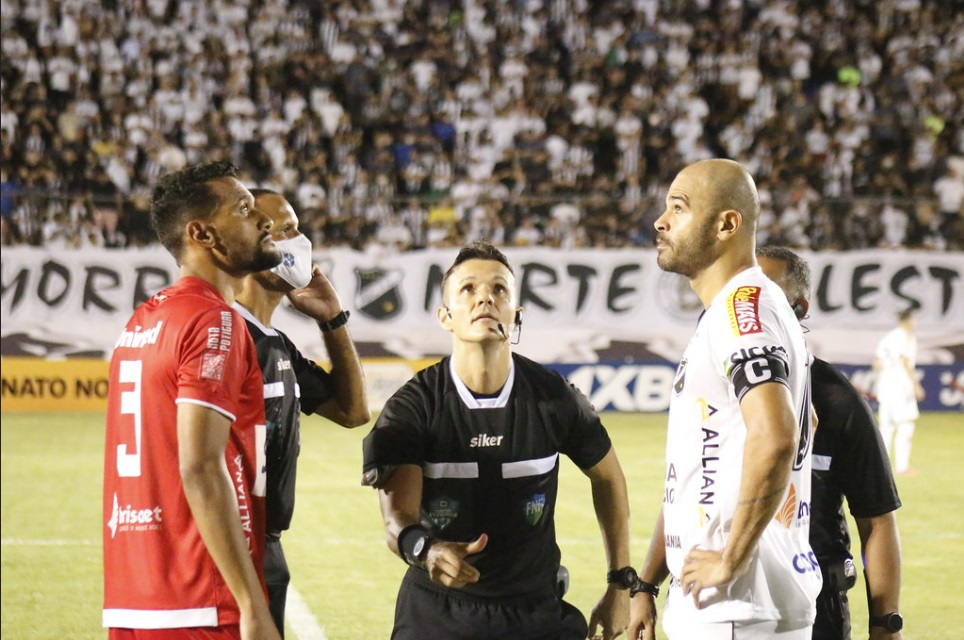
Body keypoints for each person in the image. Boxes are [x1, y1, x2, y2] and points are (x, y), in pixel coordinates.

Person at [361, 241, 632, 640]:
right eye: (467, 289)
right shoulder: (414, 406)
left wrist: (620, 584)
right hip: (438, 614)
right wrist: (427, 550)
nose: (485, 296)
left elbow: (609, 478)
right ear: (445, 316)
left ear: (516, 314)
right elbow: (396, 518)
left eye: (500, 289)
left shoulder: (555, 398)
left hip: (535, 612)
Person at [628, 159, 821, 640]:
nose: (661, 221)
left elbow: (777, 434)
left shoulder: (741, 309)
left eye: (679, 207)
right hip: (739, 605)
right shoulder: (744, 309)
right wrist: (649, 584)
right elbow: (806, 421)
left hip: (735, 608)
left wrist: (731, 558)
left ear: (727, 224)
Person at [102, 161, 283, 640]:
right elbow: (199, 466)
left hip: (134, 598)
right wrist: (251, 604)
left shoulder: (144, 319)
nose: (263, 221)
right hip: (201, 597)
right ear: (202, 234)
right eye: (244, 209)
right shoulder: (214, 321)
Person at [234, 188, 371, 636]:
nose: (300, 241)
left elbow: (353, 411)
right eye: (286, 229)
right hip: (231, 549)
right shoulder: (226, 335)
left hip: (267, 545)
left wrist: (332, 319)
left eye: (298, 228)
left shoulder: (274, 342)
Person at [757, 246, 904, 640]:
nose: (751, 306)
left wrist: (885, 623)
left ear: (799, 307)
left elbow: (877, 518)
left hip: (816, 610)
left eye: (766, 293)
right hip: (727, 606)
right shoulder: (714, 388)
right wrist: (643, 588)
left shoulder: (838, 401)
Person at [873, 309, 925, 476]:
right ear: (909, 321)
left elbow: (876, 363)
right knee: (906, 425)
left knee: (885, 428)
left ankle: (882, 466)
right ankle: (902, 467)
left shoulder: (887, 338)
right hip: (901, 388)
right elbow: (905, 361)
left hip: (886, 387)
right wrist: (916, 385)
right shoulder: (907, 338)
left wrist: (882, 379)